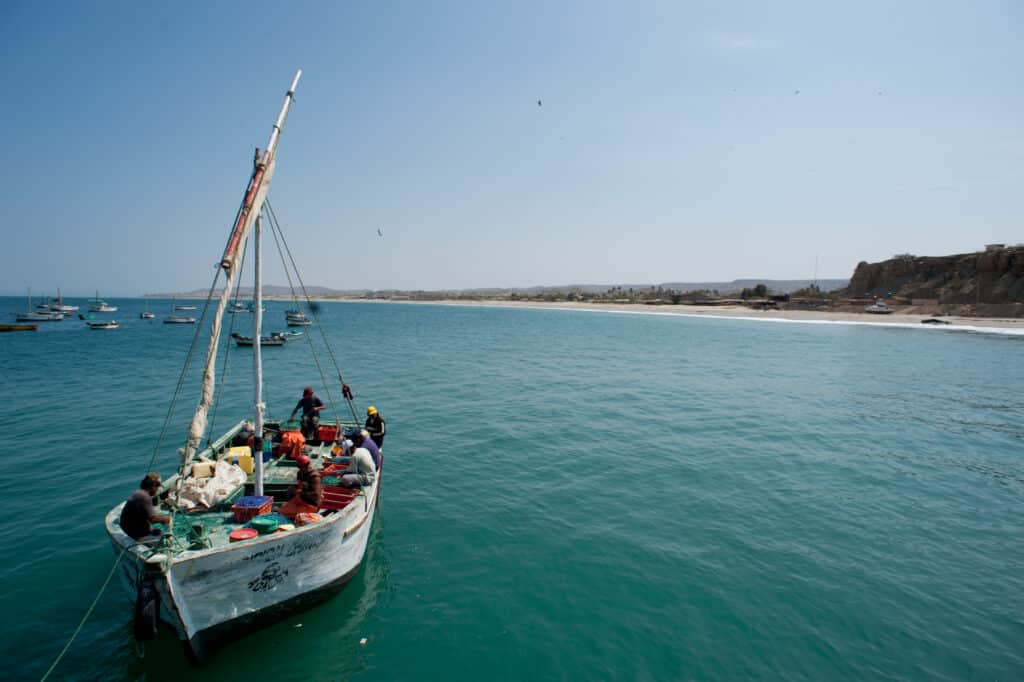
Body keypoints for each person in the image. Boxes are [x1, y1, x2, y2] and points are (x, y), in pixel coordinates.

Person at [119, 473, 171, 543]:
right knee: (166, 542)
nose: (157, 490)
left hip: (132, 529)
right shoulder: (144, 497)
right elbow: (153, 519)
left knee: (160, 532)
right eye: (157, 487)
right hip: (136, 535)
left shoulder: (139, 493)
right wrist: (165, 519)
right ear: (153, 486)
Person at [279, 454, 323, 519]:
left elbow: (315, 495)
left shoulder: (314, 477)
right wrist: (293, 489)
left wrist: (299, 492)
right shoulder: (300, 473)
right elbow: (299, 486)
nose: (306, 467)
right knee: (282, 509)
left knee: (285, 513)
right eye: (301, 466)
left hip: (311, 505)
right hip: (301, 500)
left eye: (307, 464)